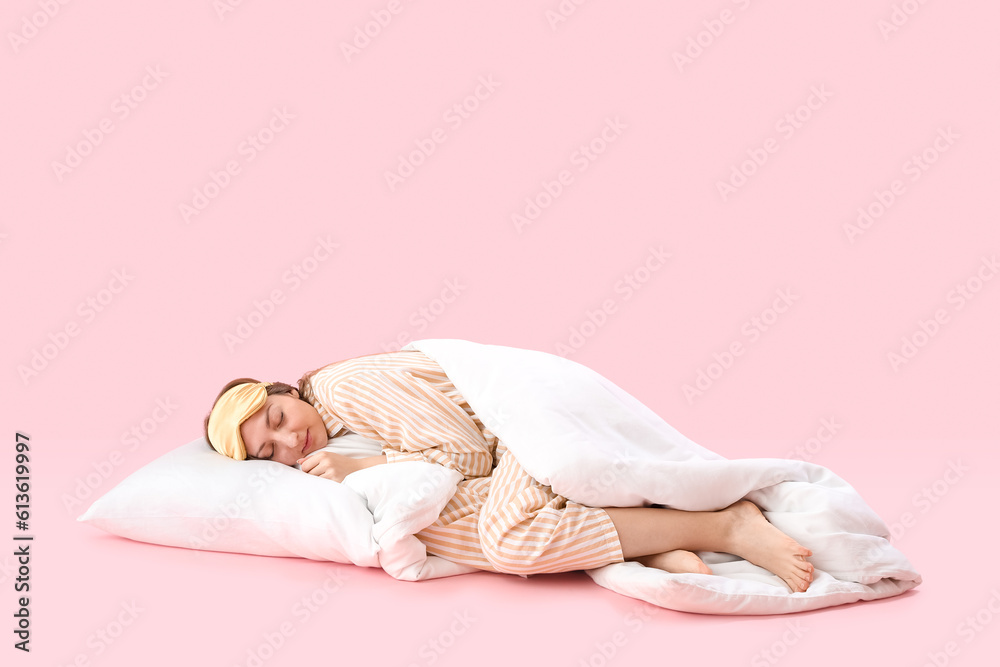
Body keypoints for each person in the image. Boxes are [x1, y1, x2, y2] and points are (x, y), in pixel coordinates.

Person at [203, 350, 814, 592]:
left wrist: (370, 463)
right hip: (493, 444)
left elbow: (464, 453)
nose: (288, 440)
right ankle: (644, 542)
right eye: (268, 452)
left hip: (514, 423)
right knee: (432, 524)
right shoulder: (330, 430)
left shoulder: (342, 389)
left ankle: (722, 524)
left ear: (286, 389)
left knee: (508, 537)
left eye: (278, 415)